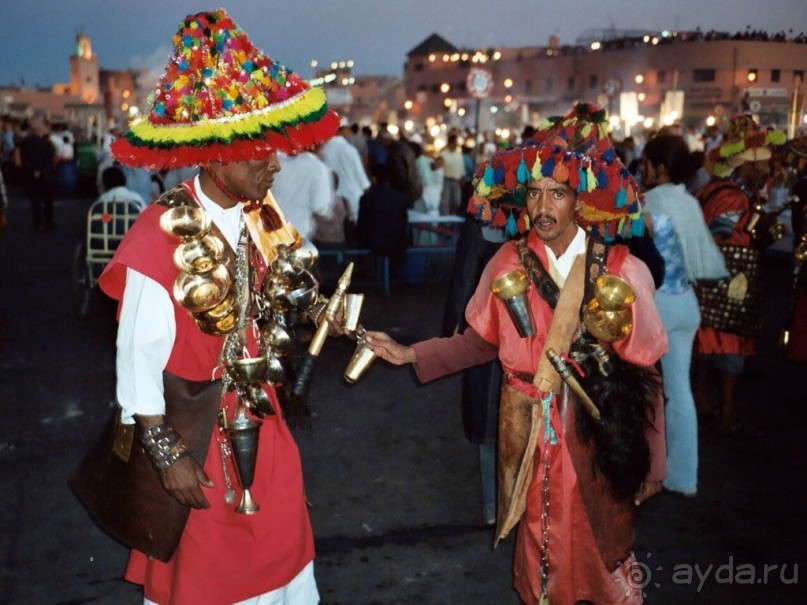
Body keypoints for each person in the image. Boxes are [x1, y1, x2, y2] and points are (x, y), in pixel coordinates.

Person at [70, 9, 339, 605]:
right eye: (262, 152)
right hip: (198, 439)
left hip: (264, 428)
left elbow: (276, 298)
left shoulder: (260, 219)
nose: (276, 163)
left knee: (285, 551)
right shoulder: (157, 234)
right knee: (210, 576)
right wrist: (167, 457)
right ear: (215, 155)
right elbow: (136, 356)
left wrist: (328, 316)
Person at [362, 104, 668, 604]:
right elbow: (477, 342)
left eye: (558, 194)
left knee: (600, 550)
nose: (543, 207)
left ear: (582, 202)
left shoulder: (621, 270)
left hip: (597, 435)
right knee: (538, 549)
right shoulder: (507, 259)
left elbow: (645, 370)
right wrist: (409, 353)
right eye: (534, 192)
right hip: (525, 433)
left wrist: (653, 464)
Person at [639, 133, 728, 498]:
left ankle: (648, 472)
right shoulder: (689, 202)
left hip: (655, 305)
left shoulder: (646, 203)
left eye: (645, 162)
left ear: (659, 168)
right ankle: (683, 476)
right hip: (686, 305)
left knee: (644, 391)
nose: (641, 168)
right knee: (680, 392)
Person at [693, 114, 786, 433]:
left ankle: (704, 399)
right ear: (743, 164)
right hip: (728, 280)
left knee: (708, 341)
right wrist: (759, 233)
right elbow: (722, 235)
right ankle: (727, 411)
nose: (764, 172)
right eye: (758, 166)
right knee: (729, 346)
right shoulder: (732, 195)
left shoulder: (718, 190)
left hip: (711, 279)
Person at [272, 149, 334, 240]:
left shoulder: (275, 162)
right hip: (299, 233)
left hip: (271, 231)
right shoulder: (316, 167)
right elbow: (320, 207)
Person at [18, 115, 56, 232]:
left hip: (31, 175)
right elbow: (50, 159)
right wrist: (41, 170)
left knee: (35, 201)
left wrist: (34, 170)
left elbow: (23, 159)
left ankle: (37, 223)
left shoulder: (25, 143)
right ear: (41, 130)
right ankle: (48, 222)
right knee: (47, 200)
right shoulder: (48, 143)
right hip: (46, 175)